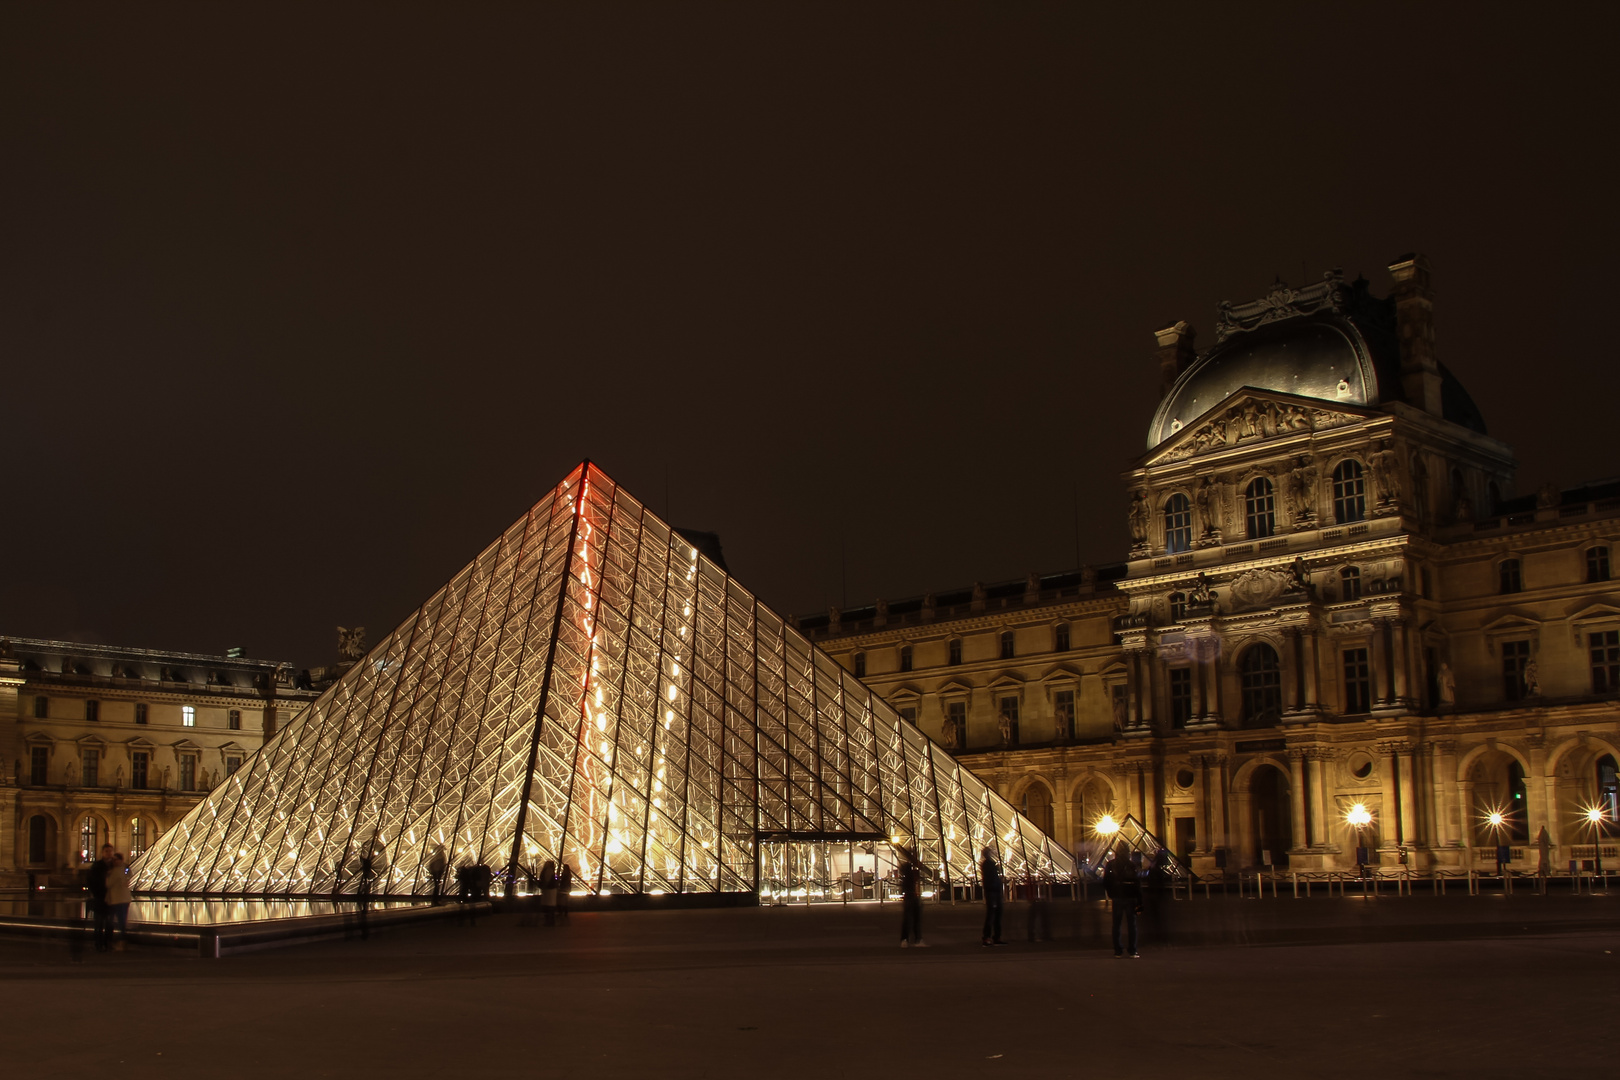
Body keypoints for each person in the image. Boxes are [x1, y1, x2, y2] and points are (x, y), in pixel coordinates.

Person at [1102, 842, 1142, 958]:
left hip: (1117, 897)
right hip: (1131, 897)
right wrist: (1140, 902)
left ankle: (1118, 950)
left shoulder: (1111, 864)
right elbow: (1137, 885)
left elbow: (1106, 882)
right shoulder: (1132, 865)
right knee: (1132, 925)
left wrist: (1111, 893)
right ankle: (1133, 950)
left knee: (1116, 925)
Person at [87, 843, 115, 953]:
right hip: (100, 898)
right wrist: (96, 893)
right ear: (102, 853)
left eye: (110, 851)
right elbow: (90, 881)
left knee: (110, 923)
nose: (109, 853)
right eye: (107, 851)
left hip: (111, 898)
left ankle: (107, 943)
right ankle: (98, 943)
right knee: (99, 923)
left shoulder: (115, 865)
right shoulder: (96, 866)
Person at [106, 852, 134, 951]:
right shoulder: (126, 869)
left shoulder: (115, 871)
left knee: (117, 921)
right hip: (126, 899)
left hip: (117, 899)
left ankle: (120, 942)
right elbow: (130, 876)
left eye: (115, 859)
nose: (114, 861)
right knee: (122, 921)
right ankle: (123, 942)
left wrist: (108, 876)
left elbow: (108, 884)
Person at [897, 850, 926, 947]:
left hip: (913, 896)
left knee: (915, 919)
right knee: (910, 919)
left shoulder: (911, 868)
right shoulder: (908, 868)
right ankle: (908, 939)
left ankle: (914, 939)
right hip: (910, 896)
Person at [980, 846, 1006, 946]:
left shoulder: (988, 864)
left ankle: (994, 937)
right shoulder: (988, 864)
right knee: (992, 916)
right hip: (992, 892)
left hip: (993, 892)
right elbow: (991, 879)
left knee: (995, 915)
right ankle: (989, 937)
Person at [538, 859, 557, 926]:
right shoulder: (551, 870)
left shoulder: (548, 870)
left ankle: (549, 921)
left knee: (548, 905)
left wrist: (543, 887)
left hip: (548, 890)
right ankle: (551, 920)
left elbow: (546, 880)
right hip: (551, 890)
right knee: (550, 905)